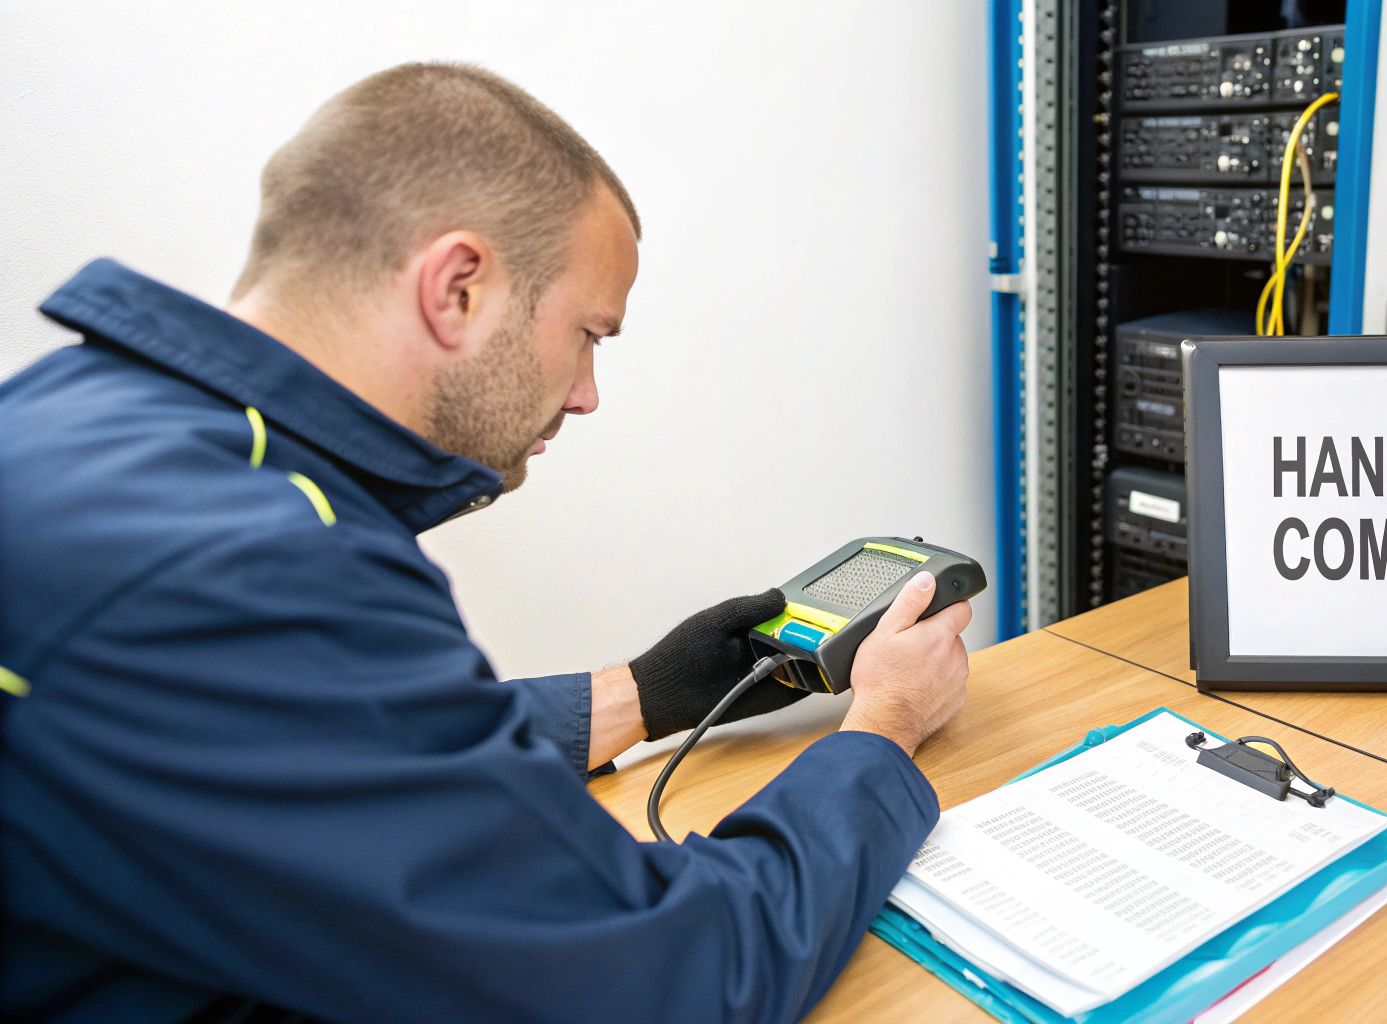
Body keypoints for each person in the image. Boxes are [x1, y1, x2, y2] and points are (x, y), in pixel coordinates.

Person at [0, 63, 971, 1023]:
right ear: (457, 285)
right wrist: (884, 728)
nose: (587, 391)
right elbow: (663, 980)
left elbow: (306, 748)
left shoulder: (87, 419)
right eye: (591, 333)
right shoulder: (262, 563)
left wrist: (640, 692)